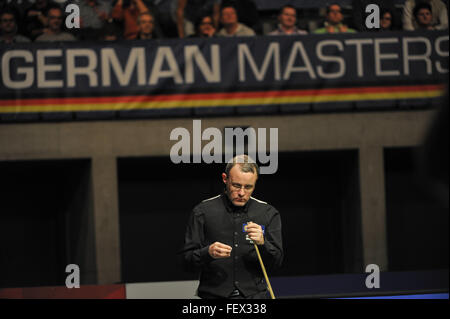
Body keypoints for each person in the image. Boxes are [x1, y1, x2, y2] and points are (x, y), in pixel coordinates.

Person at [181, 155, 283, 299]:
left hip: (254, 298)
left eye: (248, 187)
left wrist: (263, 244)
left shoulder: (267, 213)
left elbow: (277, 262)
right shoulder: (203, 212)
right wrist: (207, 253)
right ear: (225, 178)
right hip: (213, 297)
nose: (241, 193)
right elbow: (186, 262)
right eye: (236, 185)